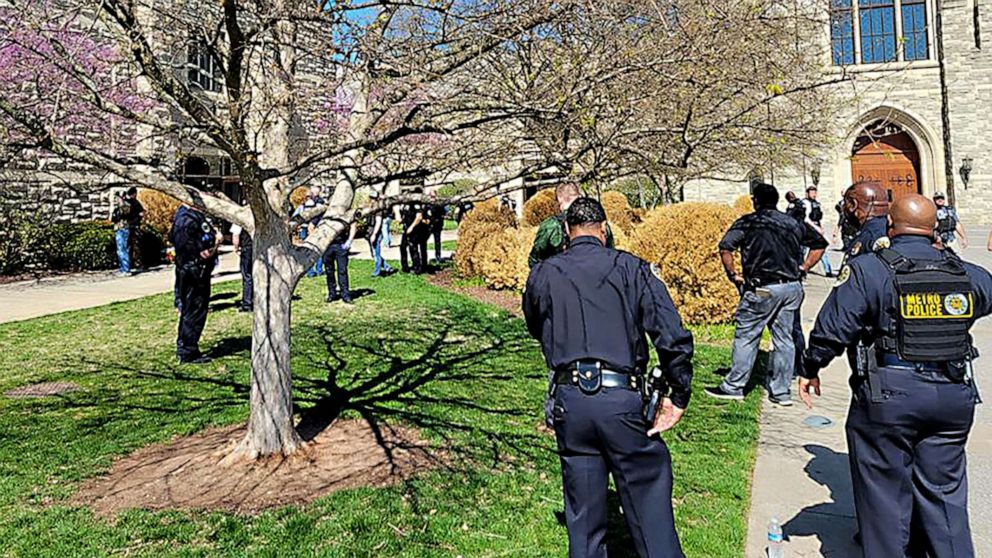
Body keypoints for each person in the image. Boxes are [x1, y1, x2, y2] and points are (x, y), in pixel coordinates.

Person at [799, 193, 992, 557]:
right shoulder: (964, 272)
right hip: (952, 395)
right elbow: (985, 293)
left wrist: (811, 367)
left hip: (890, 395)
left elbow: (834, 327)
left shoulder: (869, 269)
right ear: (936, 229)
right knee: (946, 496)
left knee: (884, 498)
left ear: (890, 226)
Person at [523, 197, 694, 558]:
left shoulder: (544, 273)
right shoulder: (631, 269)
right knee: (649, 506)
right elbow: (670, 334)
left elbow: (535, 324)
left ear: (567, 233)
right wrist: (678, 394)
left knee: (583, 521)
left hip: (571, 401)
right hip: (621, 400)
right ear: (604, 230)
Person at [704, 183, 826, 406]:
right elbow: (819, 243)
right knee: (784, 339)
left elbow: (726, 248)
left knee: (747, 336)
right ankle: (780, 392)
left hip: (762, 288)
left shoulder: (749, 222)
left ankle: (734, 386)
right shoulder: (792, 222)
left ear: (755, 201)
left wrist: (733, 274)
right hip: (791, 287)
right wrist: (805, 266)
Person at [168, 204, 221, 364]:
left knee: (190, 309)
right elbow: (203, 252)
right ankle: (188, 351)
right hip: (195, 271)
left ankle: (187, 347)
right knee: (194, 310)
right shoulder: (190, 219)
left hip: (189, 269)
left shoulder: (183, 216)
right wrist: (217, 242)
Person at [528, 183, 614, 268]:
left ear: (559, 199)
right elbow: (611, 255)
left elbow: (535, 260)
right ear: (579, 196)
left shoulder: (551, 225)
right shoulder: (599, 223)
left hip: (560, 276)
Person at [841, 181, 890, 261]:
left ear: (853, 205)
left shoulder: (870, 235)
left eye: (846, 203)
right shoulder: (889, 228)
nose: (844, 208)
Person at [293, 186, 326, 277]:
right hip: (310, 227)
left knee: (310, 249)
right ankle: (315, 270)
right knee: (316, 249)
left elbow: (296, 215)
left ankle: (312, 271)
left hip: (308, 227)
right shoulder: (317, 203)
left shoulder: (309, 203)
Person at [323, 220, 357, 304]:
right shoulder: (326, 213)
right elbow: (312, 226)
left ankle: (345, 294)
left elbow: (354, 225)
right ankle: (332, 293)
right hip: (327, 245)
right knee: (329, 271)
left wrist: (349, 241)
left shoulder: (344, 212)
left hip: (341, 244)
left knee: (342, 271)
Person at [803, 185, 832, 276]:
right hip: (808, 228)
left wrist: (820, 227)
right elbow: (806, 218)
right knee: (803, 250)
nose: (814, 194)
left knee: (820, 248)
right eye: (812, 192)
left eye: (815, 192)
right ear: (807, 193)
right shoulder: (805, 203)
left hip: (816, 226)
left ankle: (828, 270)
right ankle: (802, 268)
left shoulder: (816, 203)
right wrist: (816, 228)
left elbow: (818, 217)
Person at [366, 192, 394, 277]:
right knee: (373, 253)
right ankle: (387, 267)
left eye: (373, 198)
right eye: (370, 198)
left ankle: (377, 272)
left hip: (376, 233)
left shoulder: (378, 209)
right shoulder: (370, 208)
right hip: (369, 232)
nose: (371, 200)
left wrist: (374, 234)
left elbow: (378, 222)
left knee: (376, 253)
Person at [400, 190, 426, 274]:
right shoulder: (404, 205)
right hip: (406, 228)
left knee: (413, 248)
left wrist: (411, 227)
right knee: (402, 247)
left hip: (415, 229)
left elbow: (419, 217)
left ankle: (417, 268)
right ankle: (405, 267)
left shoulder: (415, 204)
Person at [230, 221, 252, 312]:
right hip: (258, 248)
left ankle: (247, 303)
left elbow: (236, 235)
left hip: (246, 248)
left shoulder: (239, 218)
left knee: (247, 276)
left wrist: (236, 248)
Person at [111, 191, 134, 276]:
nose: (116, 199)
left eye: (118, 197)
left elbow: (124, 211)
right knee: (120, 250)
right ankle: (122, 268)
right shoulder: (118, 207)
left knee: (123, 249)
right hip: (118, 228)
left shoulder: (126, 205)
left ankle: (126, 269)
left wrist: (121, 199)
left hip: (123, 229)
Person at [428, 191, 446, 263]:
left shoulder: (439, 204)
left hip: (437, 224)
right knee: (423, 241)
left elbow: (443, 213)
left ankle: (438, 256)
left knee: (437, 241)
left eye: (433, 196)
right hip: (429, 225)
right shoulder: (427, 204)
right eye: (431, 196)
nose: (432, 198)